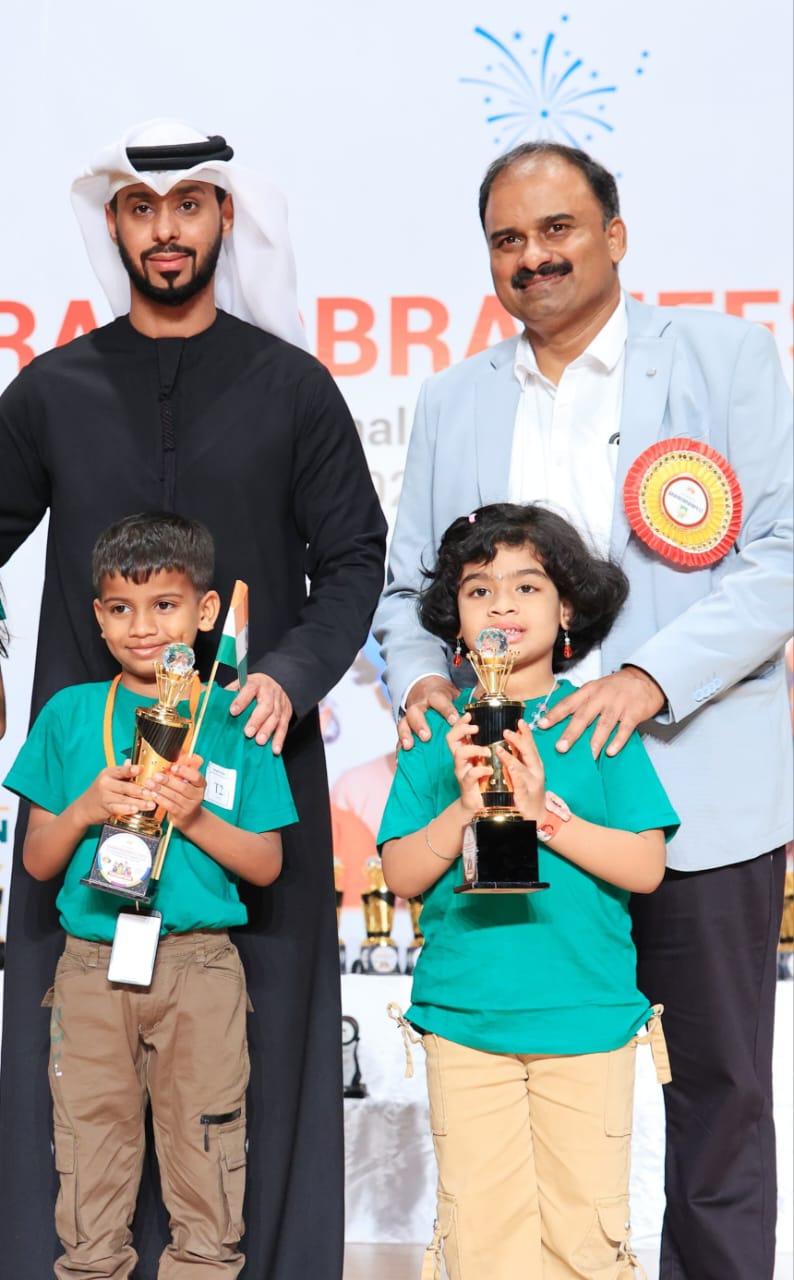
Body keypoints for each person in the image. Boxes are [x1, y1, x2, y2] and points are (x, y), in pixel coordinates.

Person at [374, 142, 792, 1279]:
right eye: (506, 239)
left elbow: (781, 552)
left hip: (694, 785)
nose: (533, 256)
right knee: (516, 1114)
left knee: (717, 1094)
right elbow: (407, 592)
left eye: (556, 228)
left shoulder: (722, 357)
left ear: (614, 234)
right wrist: (420, 681)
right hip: (509, 817)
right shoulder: (453, 398)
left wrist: (648, 677)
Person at [0, 119, 387, 1278]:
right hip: (89, 766)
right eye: (139, 208)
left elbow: (355, 557)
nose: (163, 231)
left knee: (249, 1043)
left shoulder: (292, 387)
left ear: (226, 216)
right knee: (80, 1069)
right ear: (113, 224)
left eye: (185, 206)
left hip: (247, 753)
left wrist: (289, 675)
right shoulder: (52, 389)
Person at [378, 502, 678, 1279]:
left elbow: (645, 866)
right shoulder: (433, 733)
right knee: (482, 1242)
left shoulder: (596, 724)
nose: (502, 605)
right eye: (479, 590)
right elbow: (403, 874)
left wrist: (543, 816)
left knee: (586, 1240)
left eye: (527, 587)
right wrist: (463, 807)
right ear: (455, 618)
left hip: (588, 1020)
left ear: (567, 608)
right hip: (464, 1020)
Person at [4, 512, 297, 1278]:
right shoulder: (70, 713)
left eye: (164, 605)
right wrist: (84, 809)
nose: (142, 626)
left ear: (205, 611)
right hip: (91, 965)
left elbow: (266, 864)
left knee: (207, 1154)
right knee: (89, 1158)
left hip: (199, 966)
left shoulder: (235, 717)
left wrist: (193, 817)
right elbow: (36, 860)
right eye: (121, 608)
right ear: (98, 617)